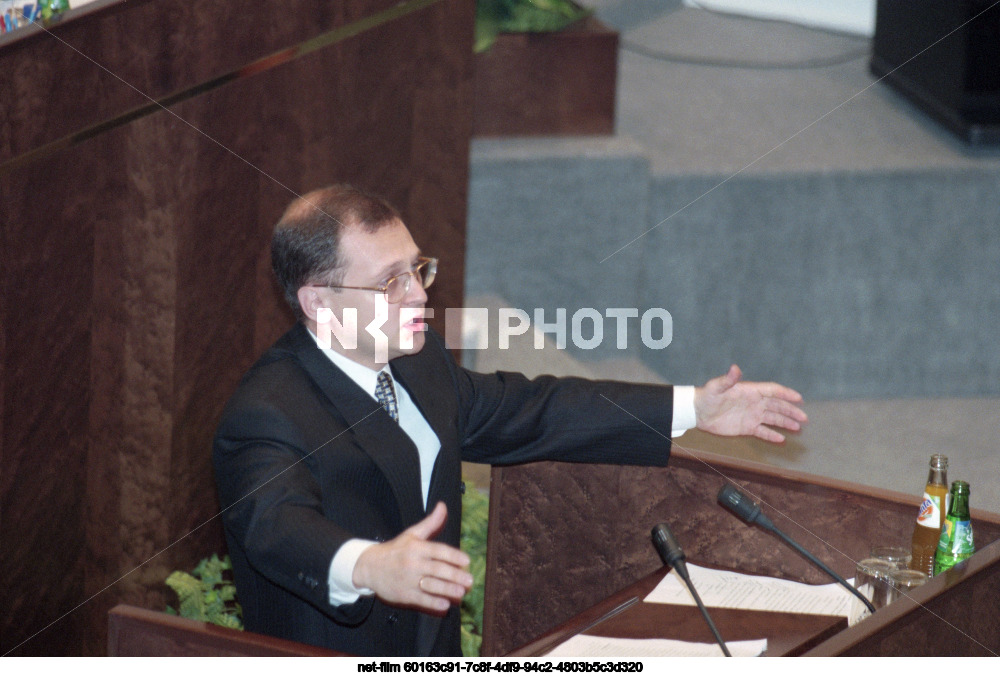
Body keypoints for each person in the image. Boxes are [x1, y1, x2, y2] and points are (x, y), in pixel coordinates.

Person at [212, 184, 807, 656]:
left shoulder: (421, 365)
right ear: (319, 302)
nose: (418, 295)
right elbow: (276, 526)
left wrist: (692, 409)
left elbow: (534, 408)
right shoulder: (267, 412)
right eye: (389, 283)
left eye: (417, 269)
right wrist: (368, 565)